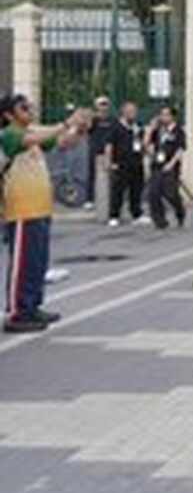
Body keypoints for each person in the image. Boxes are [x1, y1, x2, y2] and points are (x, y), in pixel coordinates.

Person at [0, 96, 90, 333]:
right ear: (9, 115)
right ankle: (17, 312)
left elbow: (62, 142)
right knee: (22, 262)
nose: (29, 110)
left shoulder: (32, 132)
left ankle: (32, 305)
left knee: (36, 262)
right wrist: (66, 122)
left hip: (39, 207)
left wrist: (79, 129)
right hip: (21, 208)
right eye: (23, 108)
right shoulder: (9, 134)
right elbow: (37, 137)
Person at [106, 101, 149, 226]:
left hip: (136, 162)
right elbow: (109, 145)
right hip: (120, 163)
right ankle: (114, 215)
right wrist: (109, 162)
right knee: (118, 190)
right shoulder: (115, 127)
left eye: (134, 111)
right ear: (123, 112)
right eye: (130, 111)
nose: (133, 114)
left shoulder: (138, 127)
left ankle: (137, 214)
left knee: (136, 189)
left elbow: (143, 143)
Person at [144, 105, 187, 230]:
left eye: (166, 115)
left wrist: (171, 164)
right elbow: (146, 144)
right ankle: (160, 220)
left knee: (170, 193)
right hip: (157, 165)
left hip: (170, 165)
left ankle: (180, 210)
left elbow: (180, 149)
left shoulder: (178, 131)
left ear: (173, 116)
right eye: (162, 115)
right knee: (154, 193)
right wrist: (150, 129)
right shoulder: (158, 130)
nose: (164, 117)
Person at [85, 96, 114, 210]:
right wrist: (91, 117)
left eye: (105, 104)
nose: (103, 107)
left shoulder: (112, 119)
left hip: (109, 149)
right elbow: (88, 129)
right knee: (91, 173)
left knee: (111, 174)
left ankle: (111, 198)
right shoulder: (94, 119)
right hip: (95, 149)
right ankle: (89, 199)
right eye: (101, 104)